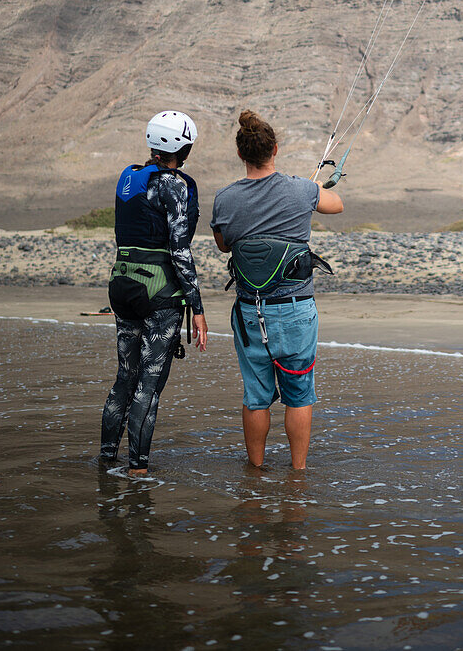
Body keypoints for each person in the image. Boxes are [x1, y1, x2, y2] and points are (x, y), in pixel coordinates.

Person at [212, 110, 343, 470]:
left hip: (250, 313)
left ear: (241, 155)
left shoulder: (224, 199)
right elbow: (338, 205)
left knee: (256, 397)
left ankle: (255, 474)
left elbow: (224, 245)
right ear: (275, 149)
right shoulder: (301, 189)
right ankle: (297, 475)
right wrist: (315, 190)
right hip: (296, 309)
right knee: (299, 396)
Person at [100, 110, 208, 476]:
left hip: (122, 285)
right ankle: (138, 472)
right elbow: (180, 250)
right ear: (183, 148)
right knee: (148, 385)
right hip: (157, 292)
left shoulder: (127, 179)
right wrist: (196, 306)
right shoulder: (174, 185)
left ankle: (106, 462)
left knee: (123, 378)